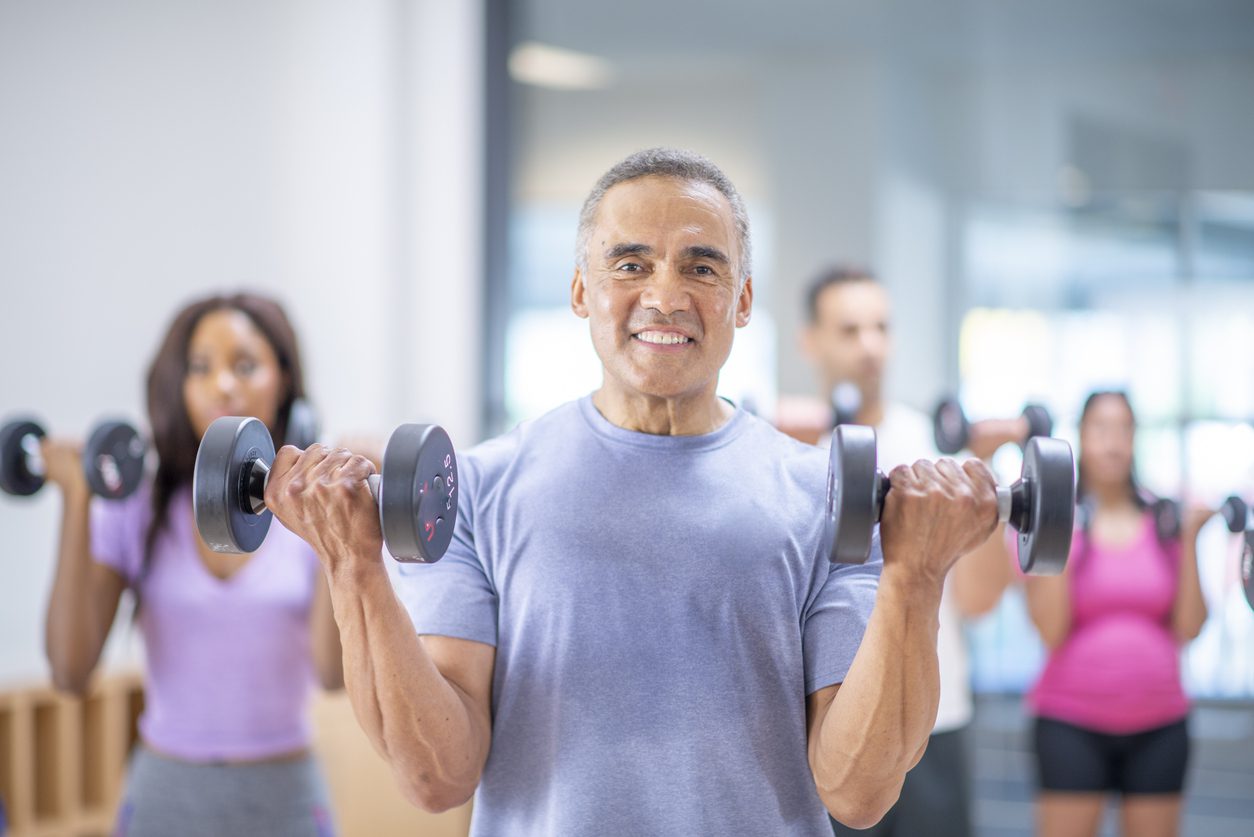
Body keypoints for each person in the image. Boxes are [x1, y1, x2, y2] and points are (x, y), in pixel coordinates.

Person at [263, 147, 1005, 835]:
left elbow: (858, 790)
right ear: (582, 289)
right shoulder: (481, 491)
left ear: (743, 300)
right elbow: (437, 773)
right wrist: (353, 564)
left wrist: (916, 574)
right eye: (630, 264)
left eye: (702, 268)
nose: (665, 294)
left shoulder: (823, 498)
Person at [42, 293, 343, 837]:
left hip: (283, 796)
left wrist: (341, 535)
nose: (221, 384)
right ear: (177, 387)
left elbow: (332, 674)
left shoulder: (311, 511)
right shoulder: (140, 505)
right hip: (166, 796)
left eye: (245, 364)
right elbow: (70, 671)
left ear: (285, 383)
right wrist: (76, 497)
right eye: (200, 368)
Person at [799, 266, 1011, 837]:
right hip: (830, 729)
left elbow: (983, 599)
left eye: (880, 328)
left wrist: (988, 495)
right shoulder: (791, 459)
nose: (869, 346)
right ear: (811, 341)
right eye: (849, 330)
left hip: (934, 724)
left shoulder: (942, 456)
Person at [1024, 390, 1208, 837]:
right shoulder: (1056, 521)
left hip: (1160, 722)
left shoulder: (1163, 522)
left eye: (1124, 429)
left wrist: (1189, 542)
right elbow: (1050, 629)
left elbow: (1190, 626)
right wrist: (1066, 530)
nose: (1113, 441)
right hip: (1070, 722)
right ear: (1081, 438)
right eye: (1101, 428)